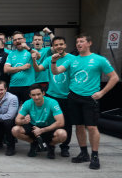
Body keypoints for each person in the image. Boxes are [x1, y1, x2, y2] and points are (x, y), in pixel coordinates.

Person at [51, 34, 119, 169]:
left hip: (90, 99)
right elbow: (57, 71)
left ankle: (94, 155)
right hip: (74, 97)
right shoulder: (73, 60)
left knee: (92, 127)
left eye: (81, 41)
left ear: (89, 43)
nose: (78, 44)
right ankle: (83, 153)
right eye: (77, 42)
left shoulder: (99, 60)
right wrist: (53, 62)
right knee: (79, 126)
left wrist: (102, 93)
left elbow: (114, 78)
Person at [33, 36, 74, 157]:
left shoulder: (73, 59)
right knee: (50, 122)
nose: (59, 47)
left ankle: (65, 147)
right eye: (56, 45)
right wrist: (34, 61)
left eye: (61, 44)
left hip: (68, 96)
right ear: (53, 47)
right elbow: (38, 69)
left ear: (65, 45)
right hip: (52, 95)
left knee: (67, 123)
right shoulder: (49, 58)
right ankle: (51, 146)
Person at [12, 84, 67, 158]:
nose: (36, 97)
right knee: (15, 130)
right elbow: (17, 120)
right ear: (30, 96)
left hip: (49, 127)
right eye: (33, 95)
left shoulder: (52, 102)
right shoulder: (27, 103)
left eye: (38, 94)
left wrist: (42, 130)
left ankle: (51, 145)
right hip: (33, 127)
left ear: (43, 93)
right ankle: (34, 143)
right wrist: (24, 121)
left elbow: (61, 122)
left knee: (62, 134)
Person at [4, 31, 34, 104]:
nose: (17, 41)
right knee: (13, 111)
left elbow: (38, 56)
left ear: (24, 40)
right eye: (15, 40)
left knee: (29, 111)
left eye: (19, 39)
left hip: (28, 86)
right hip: (14, 86)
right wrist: (22, 67)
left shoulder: (30, 52)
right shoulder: (11, 54)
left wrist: (27, 47)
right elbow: (6, 69)